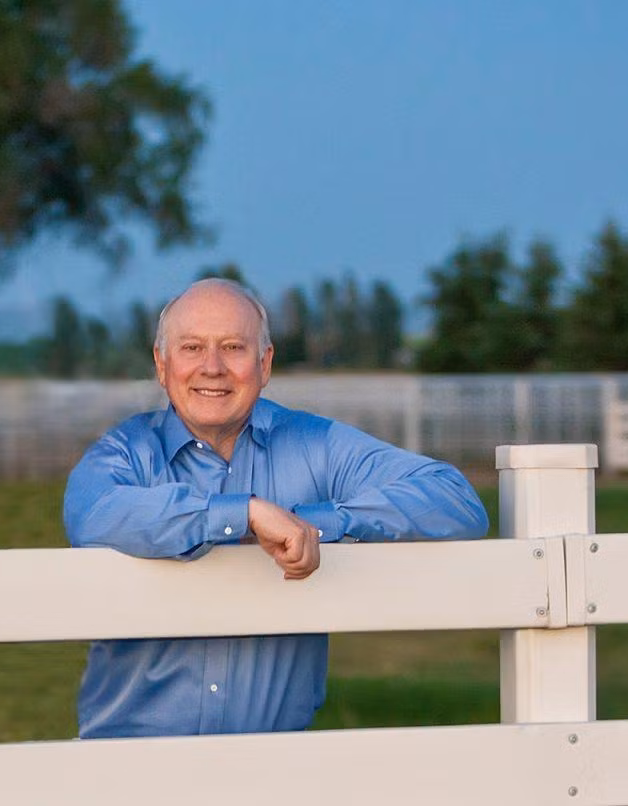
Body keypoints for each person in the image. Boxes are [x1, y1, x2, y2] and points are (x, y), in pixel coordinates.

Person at [63, 278, 488, 738]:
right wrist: (241, 514)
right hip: (129, 773)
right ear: (161, 364)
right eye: (191, 348)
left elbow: (455, 499)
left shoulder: (314, 444)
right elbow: (91, 513)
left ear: (264, 364)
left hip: (276, 772)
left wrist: (318, 523)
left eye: (232, 347)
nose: (212, 368)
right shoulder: (127, 452)